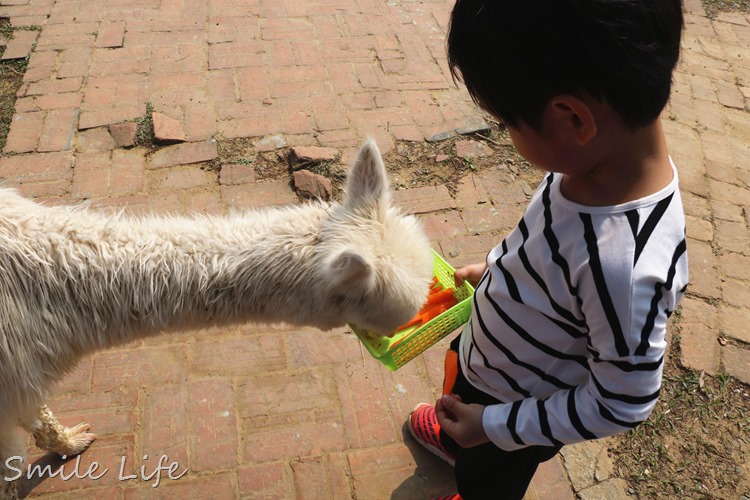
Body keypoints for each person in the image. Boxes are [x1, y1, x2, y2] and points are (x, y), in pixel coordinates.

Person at [407, 1, 689, 499]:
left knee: (486, 480)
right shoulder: (584, 166)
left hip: (514, 411)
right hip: (486, 360)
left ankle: (471, 460)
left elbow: (622, 401)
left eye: (508, 123)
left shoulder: (625, 269)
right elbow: (542, 243)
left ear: (572, 120)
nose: (508, 134)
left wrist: (493, 427)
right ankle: (460, 438)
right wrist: (494, 269)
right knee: (463, 412)